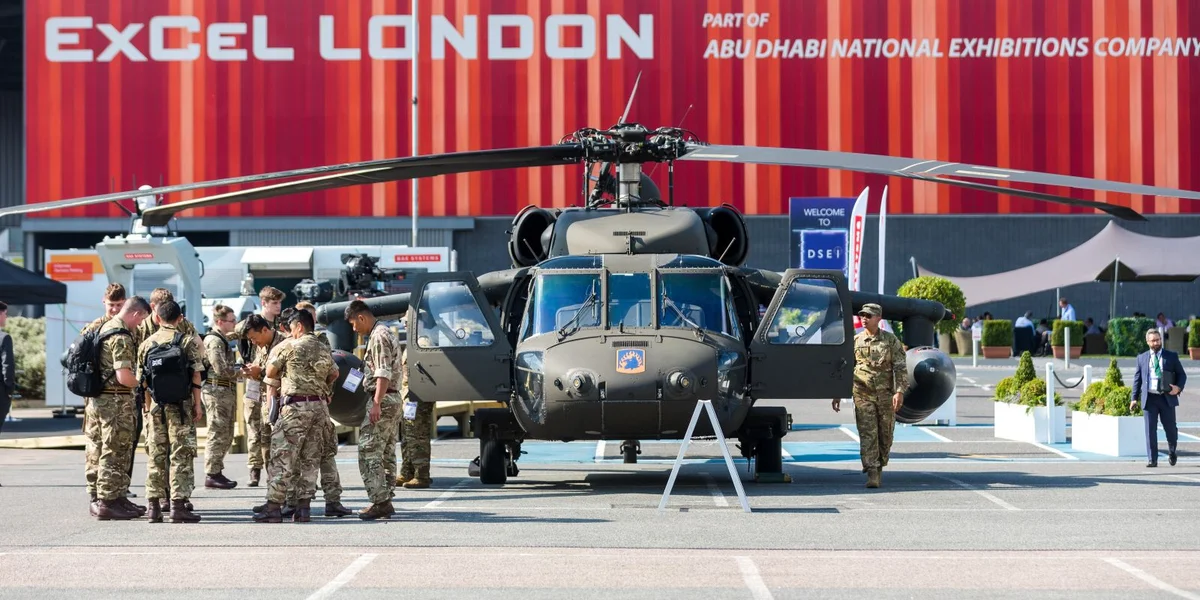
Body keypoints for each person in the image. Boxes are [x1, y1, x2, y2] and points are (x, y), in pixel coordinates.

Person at [254, 309, 339, 523]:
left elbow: (270, 372)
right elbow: (335, 373)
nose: (290, 333)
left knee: (282, 456)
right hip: (319, 407)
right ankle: (303, 509)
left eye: (291, 328)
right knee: (311, 458)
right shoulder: (323, 347)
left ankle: (273, 507)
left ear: (299, 326)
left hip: (295, 407)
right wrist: (319, 384)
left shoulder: (289, 345)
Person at [137, 300, 205, 523]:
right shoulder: (186, 341)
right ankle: (178, 506)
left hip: (156, 407)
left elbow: (142, 380)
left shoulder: (146, 344)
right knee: (181, 454)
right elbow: (196, 374)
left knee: (156, 455)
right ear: (180, 318)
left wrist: (148, 407)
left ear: (157, 318)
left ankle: (153, 507)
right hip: (181, 406)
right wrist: (197, 405)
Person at [86, 296, 151, 519]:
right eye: (141, 319)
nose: (140, 324)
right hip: (114, 401)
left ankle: (116, 497)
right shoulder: (121, 336)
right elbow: (124, 377)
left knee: (104, 448)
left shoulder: (104, 327)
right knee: (114, 450)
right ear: (136, 314)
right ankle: (107, 501)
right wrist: (143, 383)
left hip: (100, 399)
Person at [834, 303, 907, 489]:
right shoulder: (856, 341)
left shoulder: (890, 341)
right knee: (868, 433)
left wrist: (899, 391)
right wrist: (837, 393)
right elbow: (845, 368)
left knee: (885, 434)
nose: (864, 318)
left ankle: (880, 464)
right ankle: (872, 470)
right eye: (863, 315)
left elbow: (900, 367)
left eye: (869, 315)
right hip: (862, 393)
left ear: (878, 318)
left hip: (885, 395)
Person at [346, 299, 403, 520]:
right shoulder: (384, 332)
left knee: (368, 450)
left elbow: (382, 372)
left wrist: (377, 402)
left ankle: (380, 501)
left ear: (361, 317)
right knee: (386, 451)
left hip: (384, 398)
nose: (354, 329)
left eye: (354, 323)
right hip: (392, 397)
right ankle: (385, 498)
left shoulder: (378, 336)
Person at [1131, 329, 1187, 467]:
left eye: (1158, 340)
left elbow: (1182, 375)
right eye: (1153, 341)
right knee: (1150, 430)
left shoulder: (1171, 356)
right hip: (1149, 398)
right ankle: (1152, 459)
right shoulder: (1142, 358)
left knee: (1170, 429)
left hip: (1166, 398)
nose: (1156, 343)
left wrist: (1178, 388)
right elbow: (1137, 379)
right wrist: (1134, 398)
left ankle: (1172, 451)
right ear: (1147, 342)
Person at [201, 304, 239, 490]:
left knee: (225, 432)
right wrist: (242, 372)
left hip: (224, 390)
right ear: (220, 322)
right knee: (217, 432)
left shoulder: (221, 338)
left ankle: (216, 471)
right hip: (217, 391)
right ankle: (212, 473)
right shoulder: (214, 341)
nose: (235, 323)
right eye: (232, 321)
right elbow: (220, 368)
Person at [0, 301, 13, 436]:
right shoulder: (4, 338)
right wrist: (9, 389)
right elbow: (7, 365)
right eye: (5, 314)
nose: (6, 317)